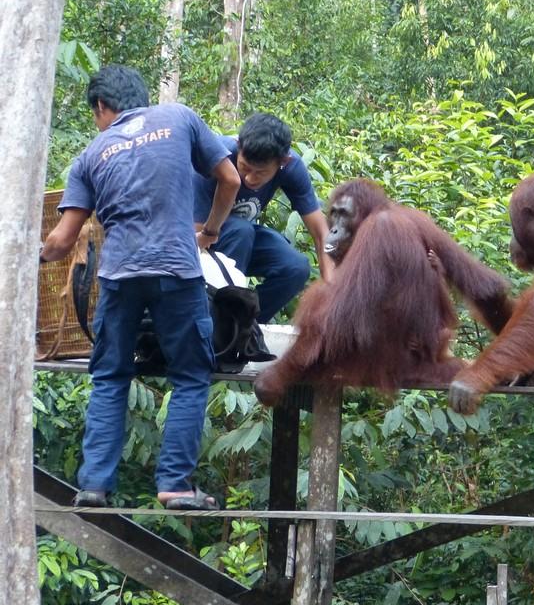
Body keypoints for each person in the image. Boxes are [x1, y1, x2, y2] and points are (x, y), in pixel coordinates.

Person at [41, 64, 241, 511]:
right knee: (189, 376)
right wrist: (209, 230)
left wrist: (29, 254)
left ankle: (94, 485)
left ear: (101, 107)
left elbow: (60, 242)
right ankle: (174, 486)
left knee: (110, 376)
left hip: (118, 277)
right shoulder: (179, 117)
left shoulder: (91, 155)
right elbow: (230, 179)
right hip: (176, 271)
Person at [192, 113, 334, 325]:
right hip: (197, 240)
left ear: (282, 162)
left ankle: (246, 326)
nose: (249, 178)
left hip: (242, 240)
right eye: (245, 167)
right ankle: (217, 324)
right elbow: (194, 238)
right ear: (238, 146)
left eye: (261, 173)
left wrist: (333, 289)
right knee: (241, 230)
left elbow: (322, 233)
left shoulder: (292, 168)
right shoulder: (216, 157)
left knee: (296, 267)